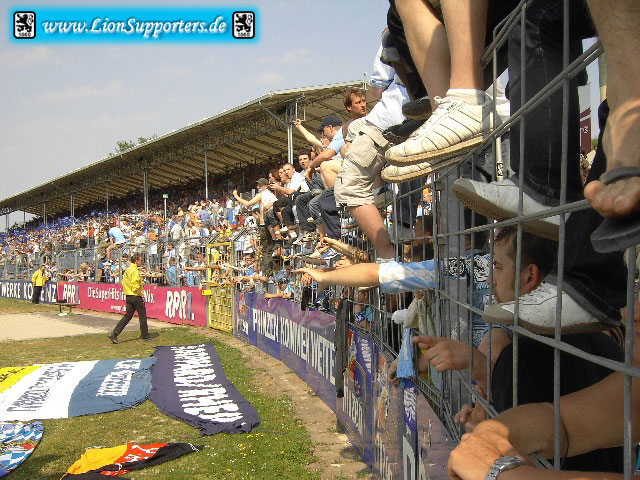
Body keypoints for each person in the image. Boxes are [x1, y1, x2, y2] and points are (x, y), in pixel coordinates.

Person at [108, 252, 150, 344]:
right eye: (140, 260)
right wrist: (141, 295)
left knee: (127, 316)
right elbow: (135, 287)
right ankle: (145, 336)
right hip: (135, 296)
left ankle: (115, 333)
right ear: (136, 261)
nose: (141, 262)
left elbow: (124, 282)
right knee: (142, 316)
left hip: (128, 296)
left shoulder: (127, 270)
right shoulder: (135, 271)